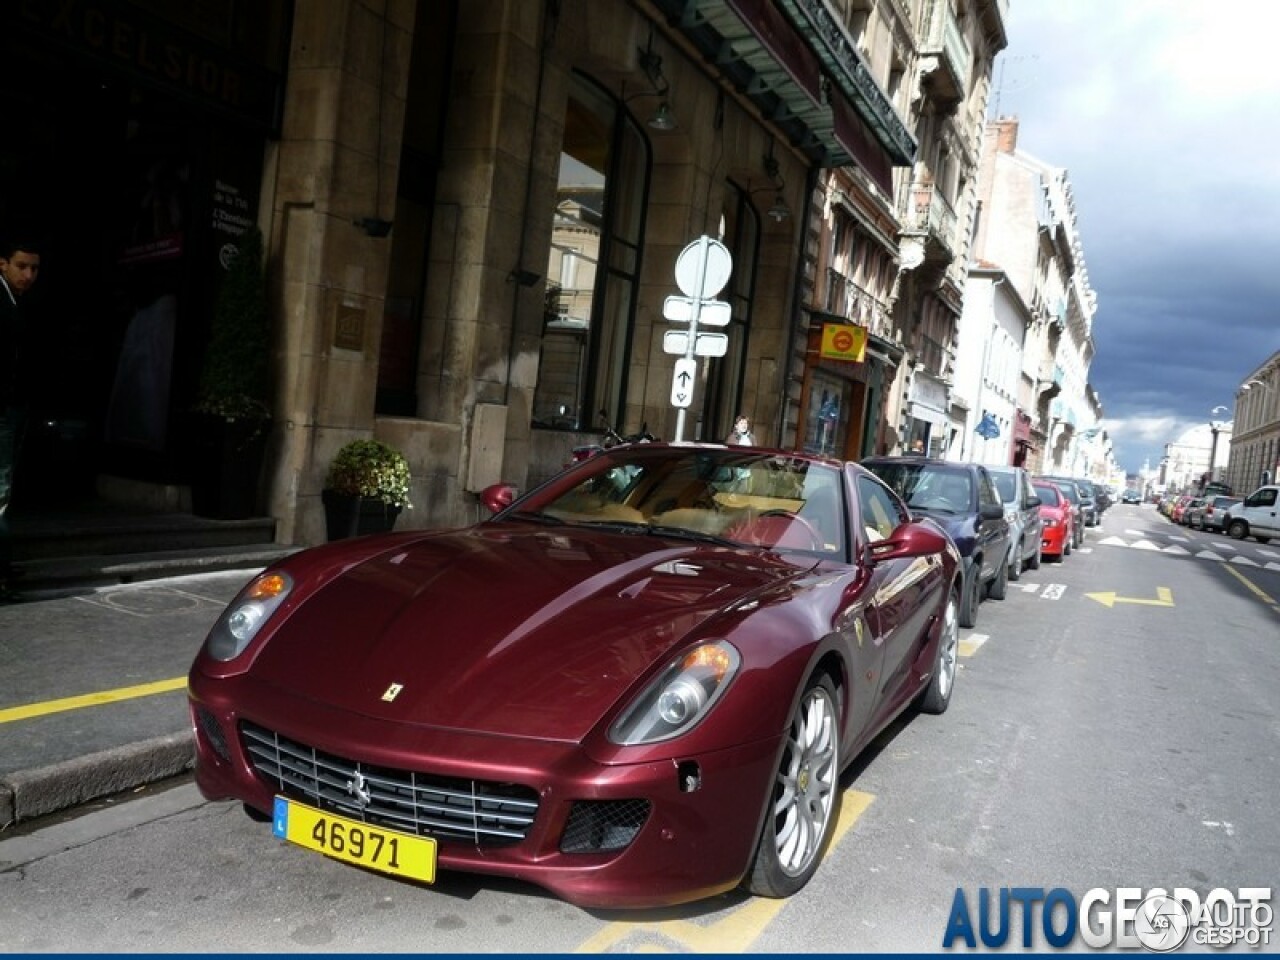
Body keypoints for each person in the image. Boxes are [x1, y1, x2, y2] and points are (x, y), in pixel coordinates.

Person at [1, 238, 41, 596]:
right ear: (3, 264)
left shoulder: (18, 303)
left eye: (34, 268)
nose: (28, 275)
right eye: (21, 266)